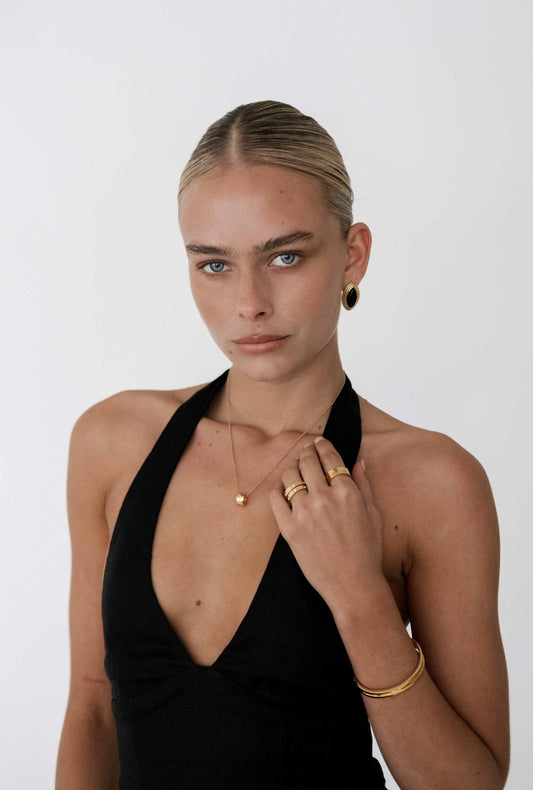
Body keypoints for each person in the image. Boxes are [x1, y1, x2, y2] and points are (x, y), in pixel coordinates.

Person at [56, 100, 509, 789]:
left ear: (352, 255)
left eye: (285, 256)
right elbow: (91, 711)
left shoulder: (428, 480)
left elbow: (468, 784)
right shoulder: (114, 442)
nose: (249, 304)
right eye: (213, 265)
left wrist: (358, 597)